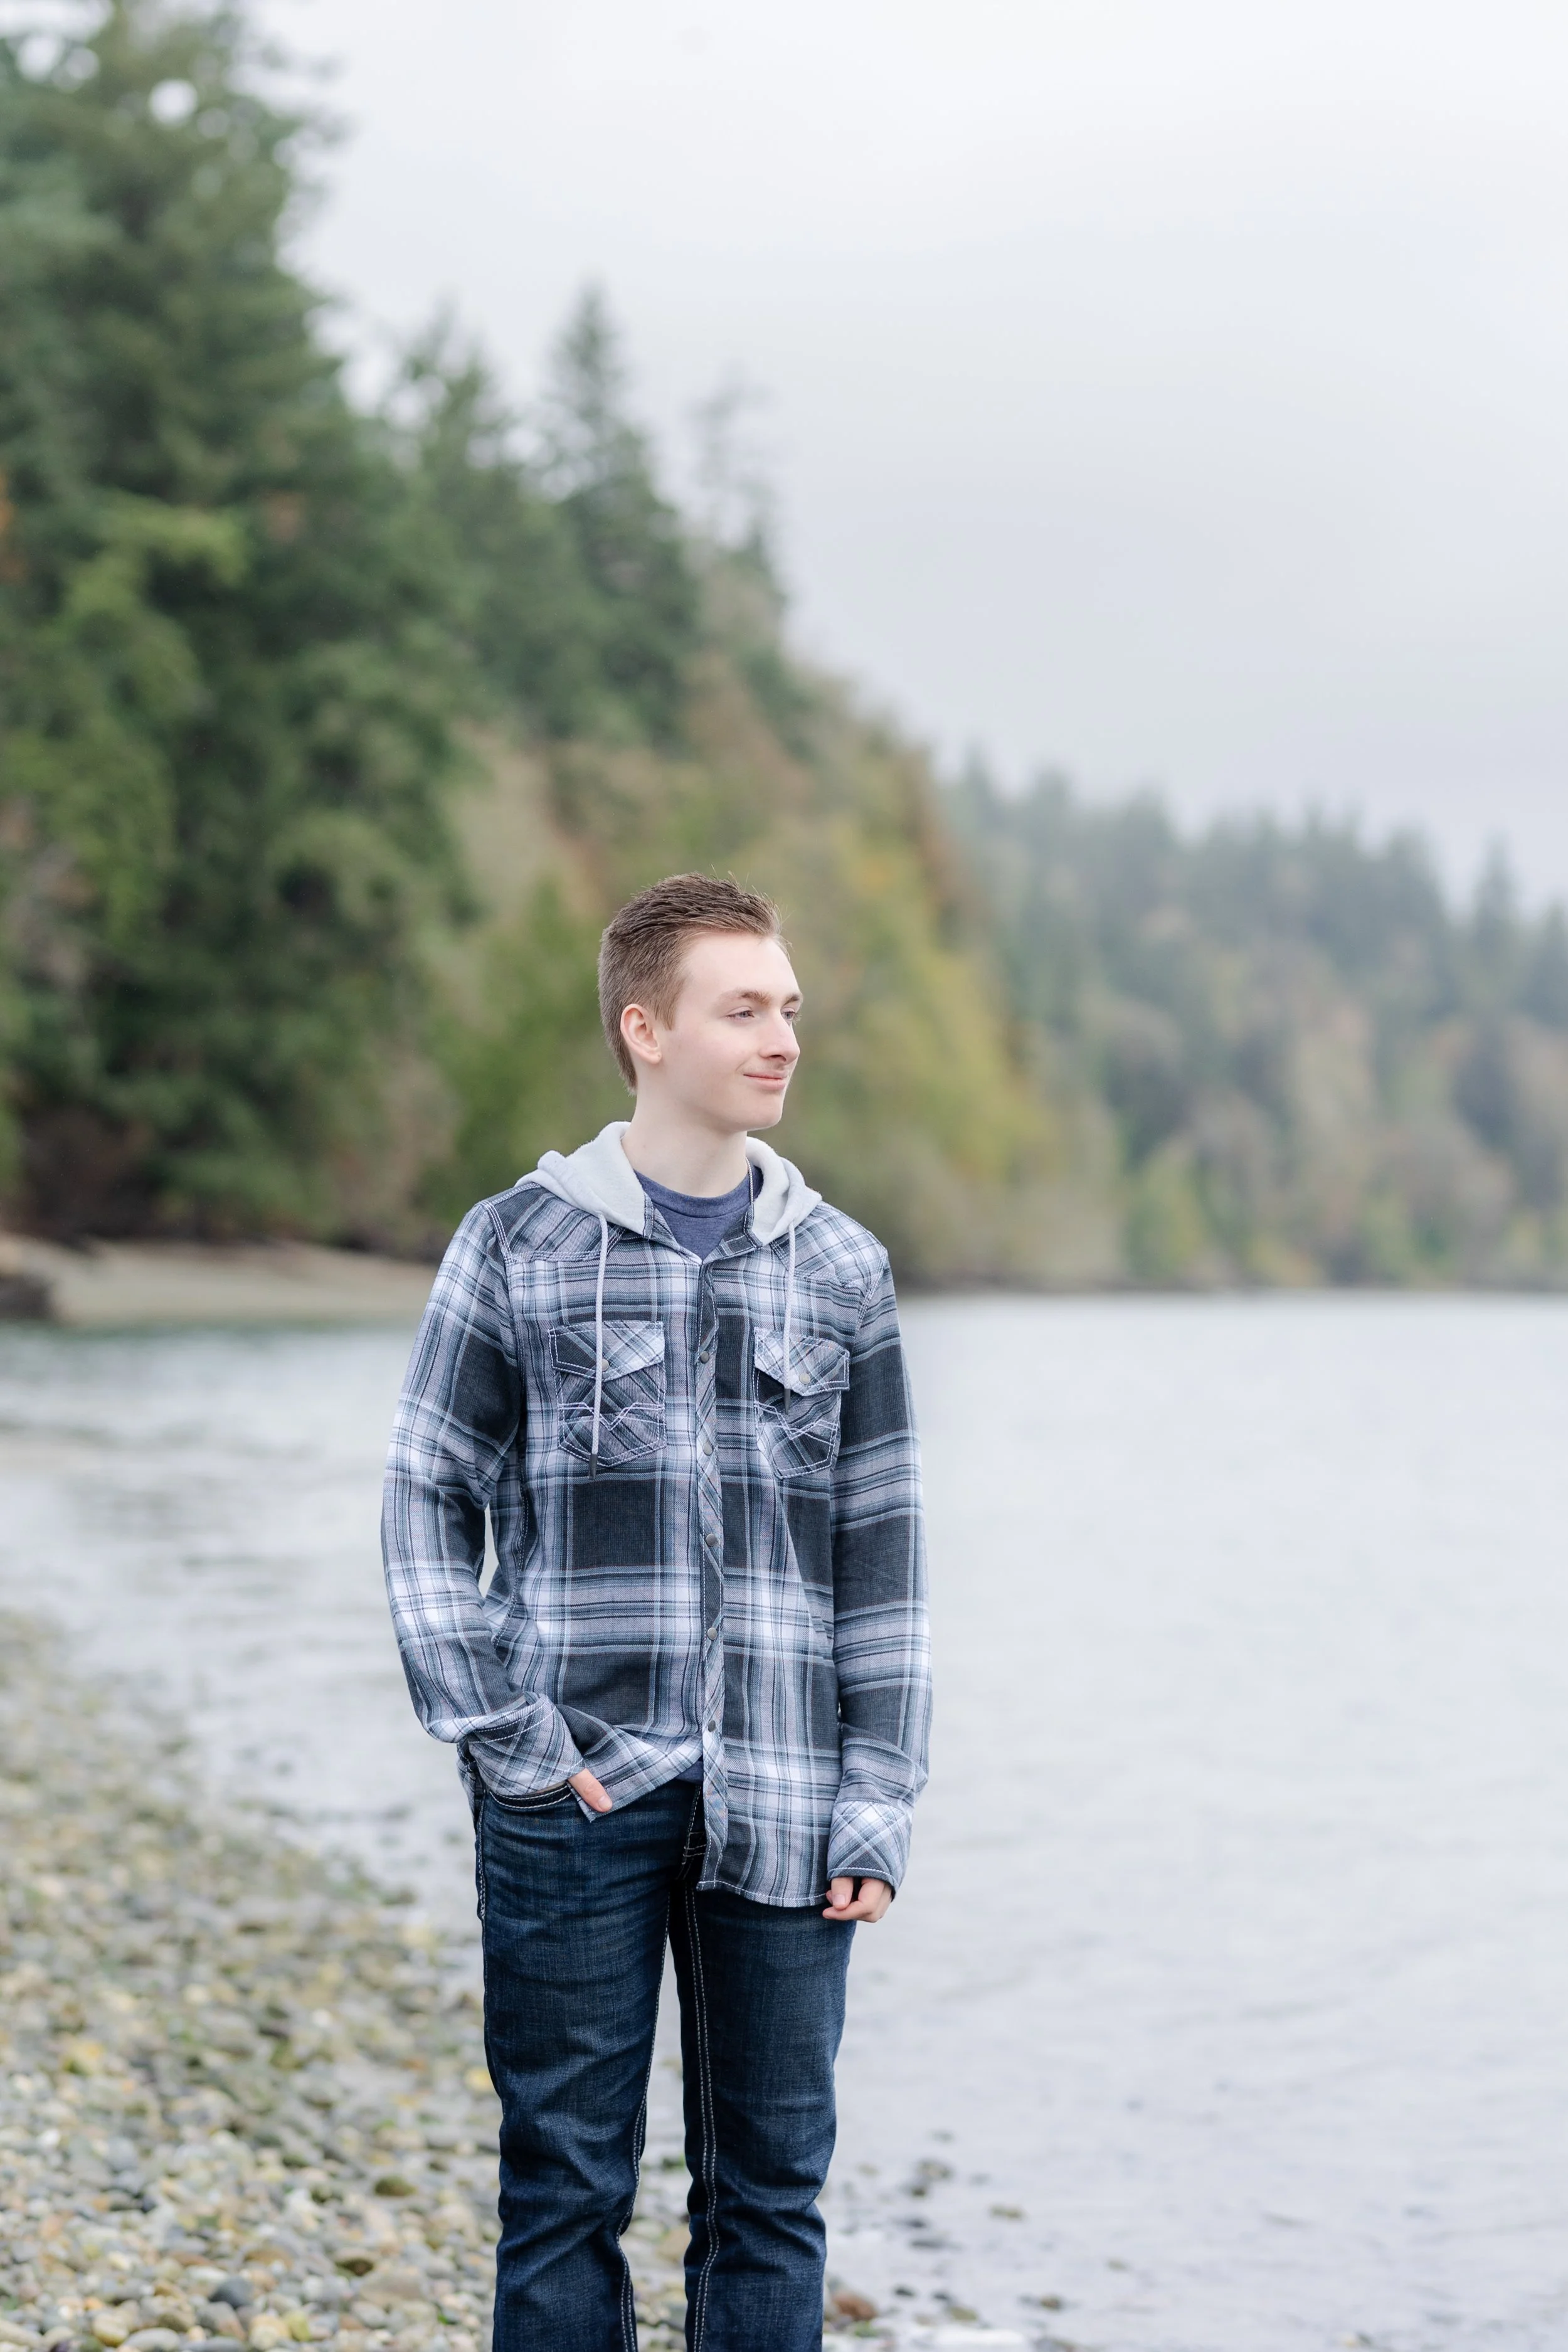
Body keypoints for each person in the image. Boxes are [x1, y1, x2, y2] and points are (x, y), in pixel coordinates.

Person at [381, 872, 931, 2352]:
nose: (781, 1039)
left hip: (787, 1799)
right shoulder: (517, 1244)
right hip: (571, 1788)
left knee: (770, 2198)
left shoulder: (841, 1270)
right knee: (561, 2187)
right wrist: (503, 1731)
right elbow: (426, 1495)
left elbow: (881, 1564)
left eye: (789, 1009)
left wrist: (875, 1793)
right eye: (742, 1009)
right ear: (644, 1029)